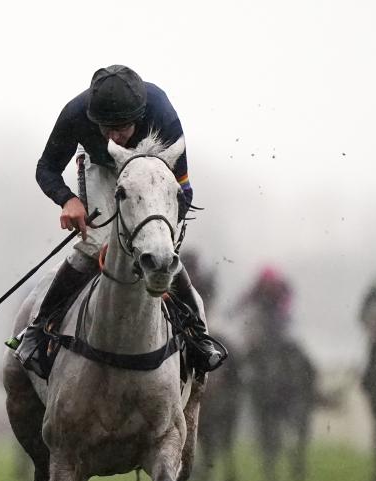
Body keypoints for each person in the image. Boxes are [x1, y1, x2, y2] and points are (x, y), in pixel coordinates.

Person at [11, 65, 224, 378]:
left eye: (121, 128)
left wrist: (157, 232)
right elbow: (46, 168)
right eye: (105, 127)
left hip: (152, 172)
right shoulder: (75, 113)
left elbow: (184, 190)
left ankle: (196, 336)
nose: (113, 136)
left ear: (139, 116)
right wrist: (67, 199)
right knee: (95, 245)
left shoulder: (162, 114)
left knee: (159, 248)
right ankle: (39, 329)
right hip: (102, 168)